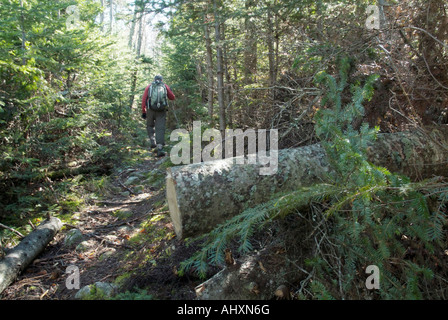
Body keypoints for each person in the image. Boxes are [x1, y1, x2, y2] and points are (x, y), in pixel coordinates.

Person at [141, 75, 175, 157]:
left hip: (150, 110)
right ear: (161, 80)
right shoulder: (165, 86)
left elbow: (144, 99)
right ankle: (160, 148)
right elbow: (172, 97)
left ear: (154, 79)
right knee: (160, 128)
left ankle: (153, 142)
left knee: (150, 125)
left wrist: (143, 111)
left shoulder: (149, 86)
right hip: (161, 110)